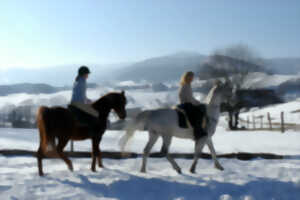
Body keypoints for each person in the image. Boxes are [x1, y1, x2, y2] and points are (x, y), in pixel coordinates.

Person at [178, 71, 207, 140]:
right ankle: (197, 132)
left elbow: (190, 97)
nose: (191, 78)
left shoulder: (186, 85)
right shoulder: (186, 85)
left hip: (185, 103)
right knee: (199, 113)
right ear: (186, 77)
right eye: (190, 76)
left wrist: (197, 102)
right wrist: (198, 103)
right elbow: (189, 98)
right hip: (186, 104)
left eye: (192, 77)